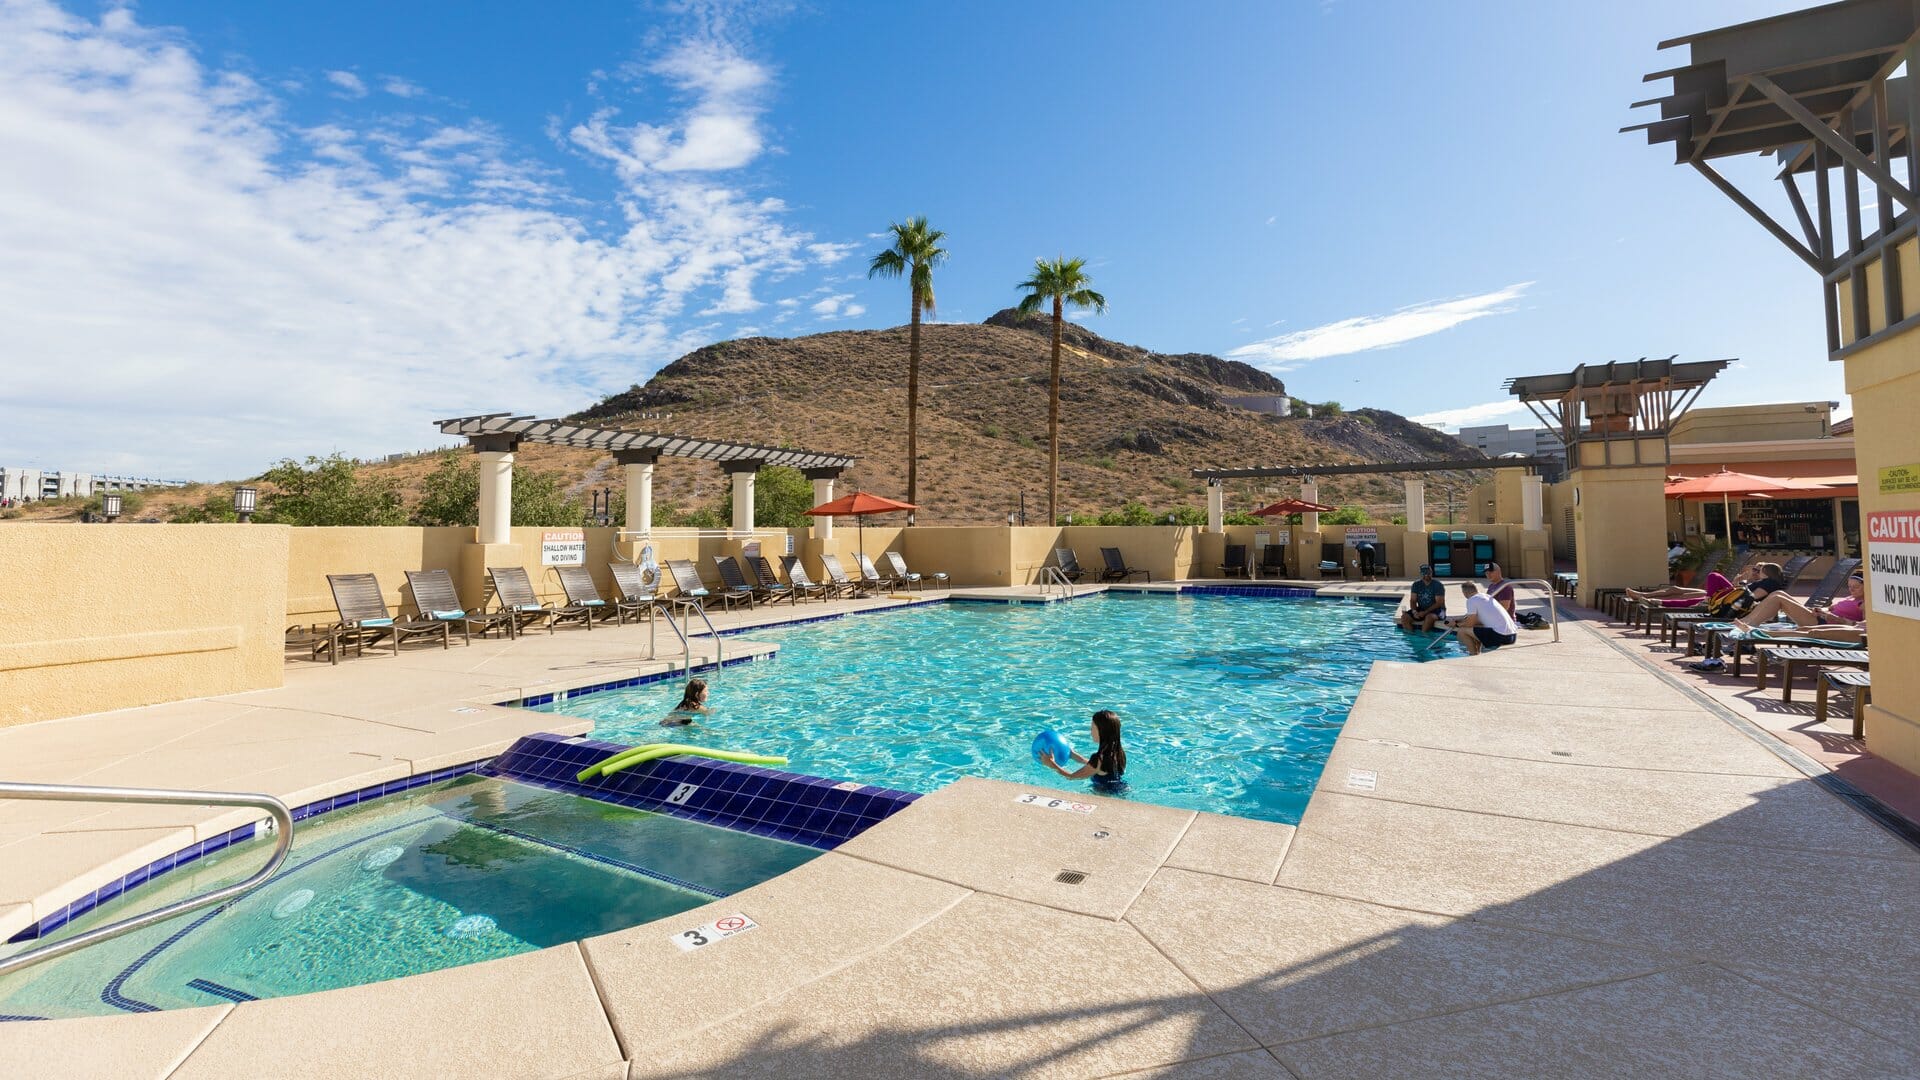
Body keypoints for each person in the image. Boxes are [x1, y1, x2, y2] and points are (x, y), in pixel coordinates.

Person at [1040, 709, 1127, 790]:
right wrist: (1072, 754)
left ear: (1101, 732)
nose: (1090, 731)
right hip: (1119, 789)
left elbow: (1071, 777)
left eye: (1092, 728)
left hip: (1105, 795)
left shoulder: (1099, 759)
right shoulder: (1118, 753)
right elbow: (1096, 767)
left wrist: (1051, 764)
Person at [1445, 581, 1518, 655]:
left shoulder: (1471, 600)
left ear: (1464, 593)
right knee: (1477, 628)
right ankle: (1478, 653)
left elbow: (1470, 623)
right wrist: (1459, 620)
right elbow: (1477, 621)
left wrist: (1456, 625)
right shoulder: (1487, 597)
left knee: (1462, 632)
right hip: (1512, 636)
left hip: (1500, 636)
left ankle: (1473, 655)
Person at [1397, 565, 1447, 632]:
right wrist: (1414, 612)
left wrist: (1425, 612)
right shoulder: (1416, 584)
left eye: (1428, 573)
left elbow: (1439, 603)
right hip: (1422, 609)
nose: (1426, 575)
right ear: (1421, 574)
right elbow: (1413, 600)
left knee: (1429, 617)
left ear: (1431, 573)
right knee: (1404, 617)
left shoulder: (1438, 585)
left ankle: (1424, 636)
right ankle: (1411, 638)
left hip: (1438, 610)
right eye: (1424, 573)